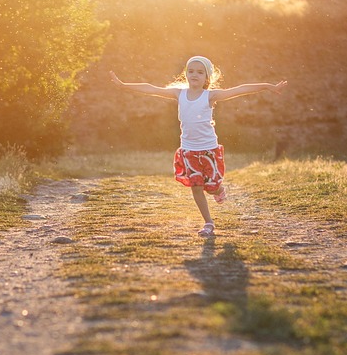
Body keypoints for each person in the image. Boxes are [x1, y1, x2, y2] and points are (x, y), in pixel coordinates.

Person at [110, 56, 287, 237]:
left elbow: (240, 89)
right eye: (191, 71)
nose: (194, 74)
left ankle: (219, 190)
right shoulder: (178, 93)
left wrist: (267, 86)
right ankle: (208, 223)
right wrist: (124, 85)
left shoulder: (210, 96)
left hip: (209, 150)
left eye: (200, 72)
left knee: (211, 188)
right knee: (196, 187)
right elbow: (151, 88)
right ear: (186, 73)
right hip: (189, 151)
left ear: (207, 77)